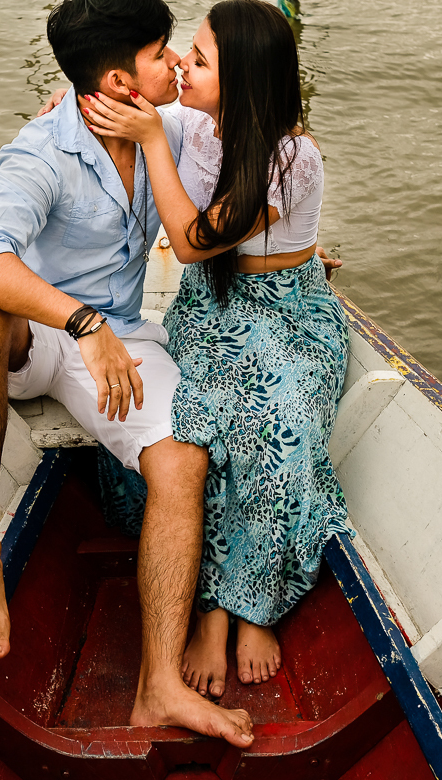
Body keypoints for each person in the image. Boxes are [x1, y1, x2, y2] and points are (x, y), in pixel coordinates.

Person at [0, 0, 253, 747]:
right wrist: (80, 324)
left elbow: (264, 140)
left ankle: (159, 685)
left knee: (182, 458)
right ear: (120, 79)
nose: (178, 62)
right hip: (44, 336)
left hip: (122, 336)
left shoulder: (168, 127)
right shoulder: (41, 149)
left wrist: (293, 253)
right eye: (161, 52)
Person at [80, 0, 352, 701]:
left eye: (199, 61)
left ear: (245, 83)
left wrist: (150, 142)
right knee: (203, 421)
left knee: (283, 427)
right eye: (187, 54)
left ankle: (250, 605)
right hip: (215, 309)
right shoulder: (196, 123)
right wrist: (72, 98)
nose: (183, 67)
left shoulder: (292, 158)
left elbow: (196, 240)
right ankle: (209, 604)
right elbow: (124, 98)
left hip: (289, 313)